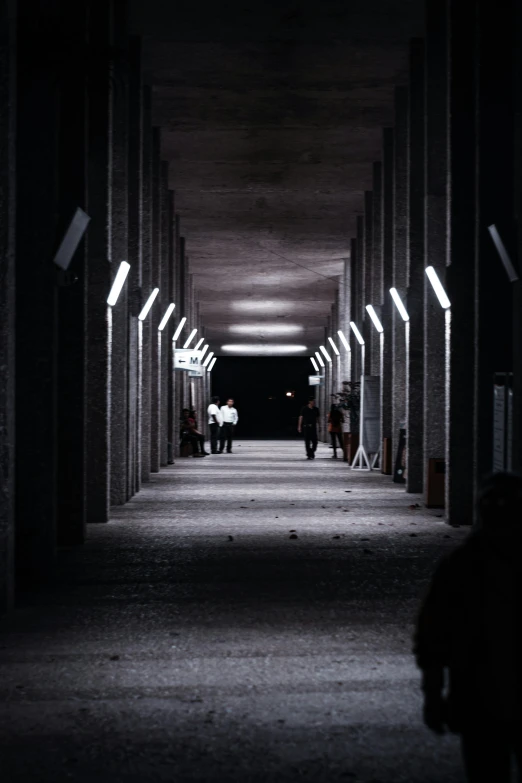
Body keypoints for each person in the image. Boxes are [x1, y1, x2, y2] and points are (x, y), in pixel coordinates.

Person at [413, 472, 522, 783]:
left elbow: (432, 637)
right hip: (478, 701)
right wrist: (433, 694)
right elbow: (432, 637)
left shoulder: (460, 565)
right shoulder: (461, 566)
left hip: (477, 699)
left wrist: (433, 695)